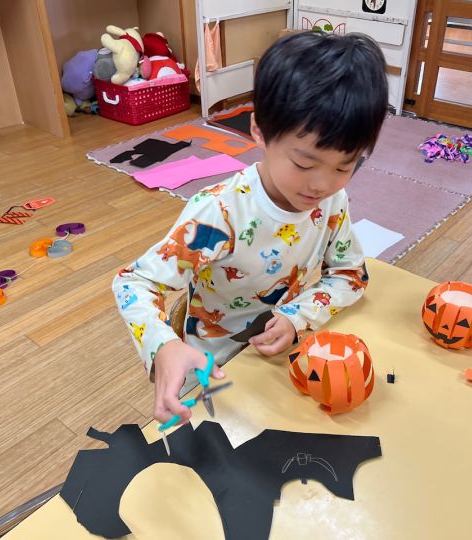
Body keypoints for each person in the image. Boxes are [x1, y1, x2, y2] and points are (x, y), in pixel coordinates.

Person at [112, 30, 389, 425]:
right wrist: (163, 346)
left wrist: (297, 316)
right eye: (305, 164)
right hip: (212, 373)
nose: (322, 185)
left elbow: (351, 274)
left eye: (345, 166)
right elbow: (134, 282)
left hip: (280, 360)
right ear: (259, 130)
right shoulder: (220, 213)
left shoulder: (331, 202)